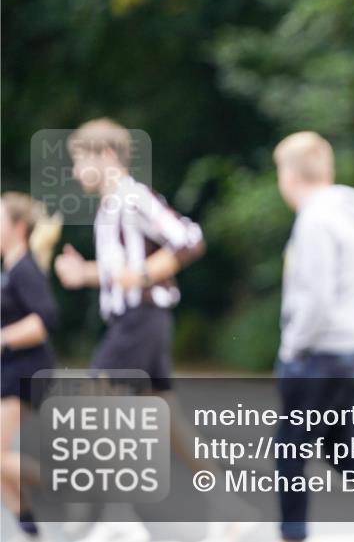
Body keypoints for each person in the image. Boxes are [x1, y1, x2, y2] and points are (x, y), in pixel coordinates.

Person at [54, 118, 250, 542]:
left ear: (106, 156)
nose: (74, 172)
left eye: (79, 161)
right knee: (168, 422)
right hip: (140, 320)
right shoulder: (110, 208)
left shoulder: (131, 197)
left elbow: (188, 238)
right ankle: (229, 506)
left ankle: (119, 515)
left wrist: (144, 276)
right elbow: (119, 272)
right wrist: (84, 273)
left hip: (140, 319)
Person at [272, 132, 354, 541]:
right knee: (343, 452)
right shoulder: (349, 214)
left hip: (320, 354)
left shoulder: (314, 219)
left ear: (290, 175)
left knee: (289, 453)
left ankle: (292, 534)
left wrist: (291, 348)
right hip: (352, 350)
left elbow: (314, 297)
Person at [1, 193, 62, 540]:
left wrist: (2, 338)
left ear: (18, 227)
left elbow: (45, 320)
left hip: (26, 370)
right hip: (12, 370)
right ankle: (27, 526)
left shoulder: (25, 268)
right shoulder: (10, 271)